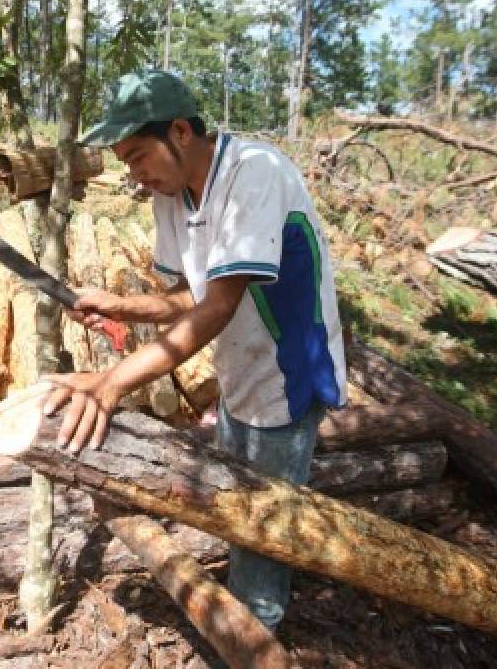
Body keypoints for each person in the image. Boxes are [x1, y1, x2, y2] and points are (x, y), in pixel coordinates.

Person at [43, 69, 347, 631]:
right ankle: (245, 606)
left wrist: (112, 383)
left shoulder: (255, 173)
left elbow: (218, 306)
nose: (135, 175)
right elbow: (191, 294)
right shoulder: (172, 195)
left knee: (267, 520)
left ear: (180, 131)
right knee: (239, 496)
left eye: (138, 157)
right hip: (239, 370)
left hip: (289, 371)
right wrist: (121, 305)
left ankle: (257, 636)